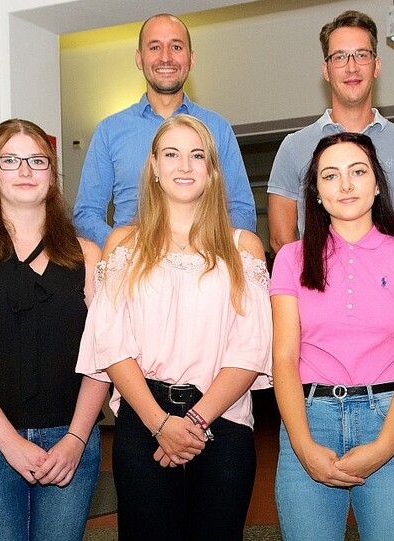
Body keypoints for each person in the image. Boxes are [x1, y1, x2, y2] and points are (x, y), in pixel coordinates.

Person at [77, 114, 271, 541]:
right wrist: (160, 424)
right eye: (171, 154)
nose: (184, 166)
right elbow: (111, 342)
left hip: (222, 422)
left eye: (197, 156)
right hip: (143, 418)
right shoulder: (122, 244)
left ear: (212, 170)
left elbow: (251, 349)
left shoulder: (243, 248)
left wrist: (195, 421)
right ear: (154, 166)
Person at [0, 119, 109, 541]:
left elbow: (105, 354)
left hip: (70, 440)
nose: (25, 170)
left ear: (52, 173)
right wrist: (10, 442)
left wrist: (76, 438)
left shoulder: (88, 256)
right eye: (10, 160)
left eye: (37, 160)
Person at [272, 132, 394, 540]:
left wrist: (384, 446)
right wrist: (303, 446)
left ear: (378, 183)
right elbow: (284, 360)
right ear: (316, 193)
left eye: (358, 172)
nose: (345, 184)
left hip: (390, 422)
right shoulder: (291, 258)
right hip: (308, 421)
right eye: (330, 175)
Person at [73, 13, 256, 247]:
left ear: (191, 59)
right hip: (131, 264)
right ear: (139, 59)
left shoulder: (218, 128)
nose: (166, 57)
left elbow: (242, 211)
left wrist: (199, 247)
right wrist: (125, 248)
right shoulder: (110, 131)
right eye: (155, 47)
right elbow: (86, 213)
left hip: (205, 262)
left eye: (176, 47)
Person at [268, 10, 394, 249]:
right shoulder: (293, 147)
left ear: (376, 66)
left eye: (361, 55)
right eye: (340, 57)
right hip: (317, 273)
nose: (352, 67)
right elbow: (281, 241)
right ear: (326, 70)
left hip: (390, 274)